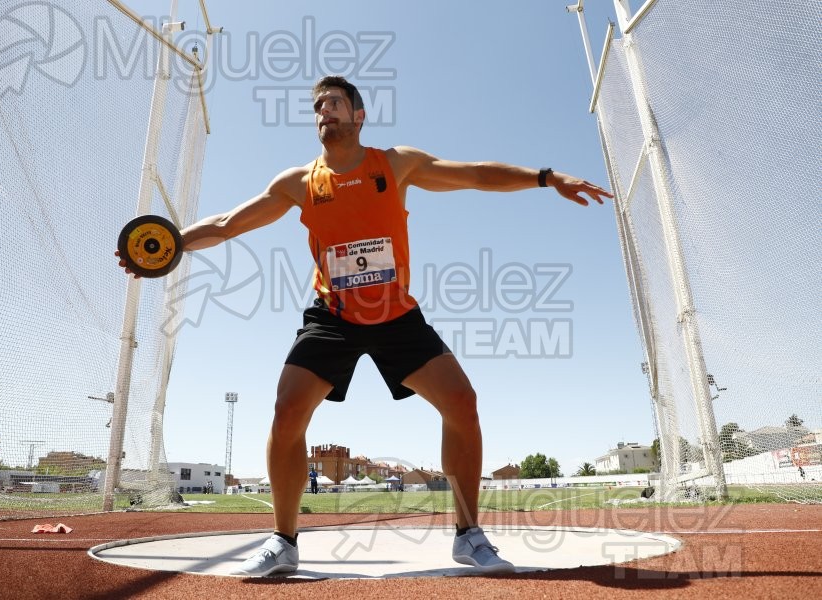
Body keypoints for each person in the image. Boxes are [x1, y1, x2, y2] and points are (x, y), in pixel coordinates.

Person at [118, 76, 612, 576]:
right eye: (317, 106)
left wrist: (548, 177)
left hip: (396, 315)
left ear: (359, 115)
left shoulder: (396, 164)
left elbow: (476, 174)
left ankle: (468, 535)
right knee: (287, 409)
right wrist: (169, 243)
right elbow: (228, 223)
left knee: (462, 403)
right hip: (332, 316)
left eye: (334, 103)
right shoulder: (299, 182)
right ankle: (283, 541)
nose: (323, 111)